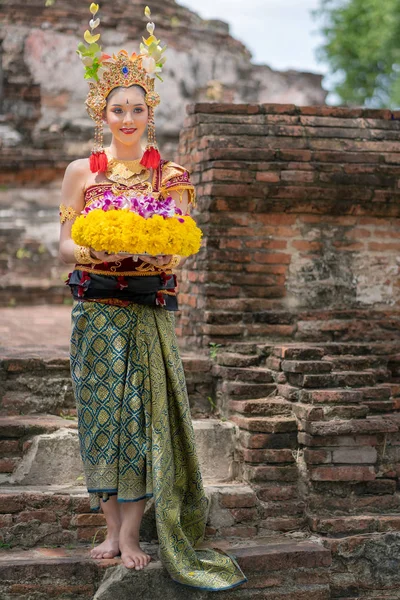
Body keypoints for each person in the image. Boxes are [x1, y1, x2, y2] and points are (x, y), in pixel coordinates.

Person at [58, 2, 246, 592]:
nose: (129, 117)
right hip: (95, 311)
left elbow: (179, 246)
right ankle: (110, 529)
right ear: (102, 112)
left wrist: (146, 247)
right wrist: (100, 248)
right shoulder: (80, 173)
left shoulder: (173, 176)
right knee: (100, 420)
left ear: (149, 111)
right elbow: (63, 244)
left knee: (140, 423)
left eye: (138, 108)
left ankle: (136, 535)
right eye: (118, 108)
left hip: (145, 311)